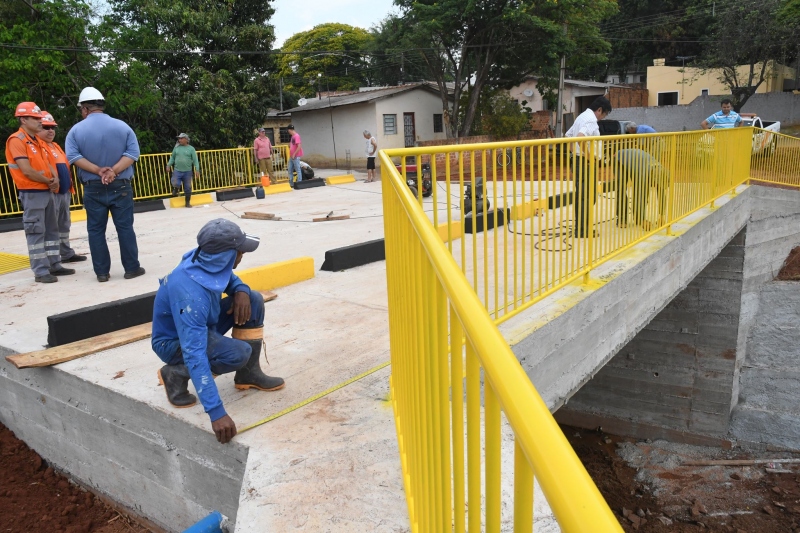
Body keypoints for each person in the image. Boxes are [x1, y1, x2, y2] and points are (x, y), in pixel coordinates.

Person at [151, 219, 285, 444]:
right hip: (174, 343)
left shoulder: (204, 259)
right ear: (224, 257)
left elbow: (229, 278)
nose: (242, 254)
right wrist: (217, 413)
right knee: (237, 353)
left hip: (204, 324)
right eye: (239, 251)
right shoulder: (190, 296)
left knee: (252, 298)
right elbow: (194, 352)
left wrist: (240, 289)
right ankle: (175, 374)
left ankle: (248, 374)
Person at [65, 87, 145, 283]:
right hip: (121, 185)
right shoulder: (122, 127)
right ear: (101, 105)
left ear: (84, 108)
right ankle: (132, 268)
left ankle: (102, 273)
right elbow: (132, 154)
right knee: (125, 228)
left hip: (93, 187)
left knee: (95, 230)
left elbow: (73, 157)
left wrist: (98, 170)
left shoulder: (75, 131)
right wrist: (113, 171)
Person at [5, 102, 76, 283]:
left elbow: (49, 165)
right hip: (32, 192)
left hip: (46, 191)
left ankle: (54, 264)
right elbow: (26, 170)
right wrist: (50, 181)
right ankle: (41, 270)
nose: (39, 121)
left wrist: (55, 180)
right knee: (36, 231)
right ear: (23, 119)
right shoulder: (17, 140)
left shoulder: (37, 141)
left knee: (52, 230)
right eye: (35, 118)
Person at [37, 111, 87, 263]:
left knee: (64, 224)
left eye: (53, 127)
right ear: (37, 128)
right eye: (46, 127)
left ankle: (65, 252)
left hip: (64, 191)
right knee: (51, 227)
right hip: (51, 193)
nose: (51, 131)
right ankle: (51, 258)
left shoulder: (55, 146)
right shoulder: (38, 147)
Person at [564, 96, 613, 238]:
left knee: (582, 196)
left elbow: (569, 136)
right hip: (585, 163)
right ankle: (583, 230)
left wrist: (576, 154)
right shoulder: (591, 120)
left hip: (579, 161)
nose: (602, 118)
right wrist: (589, 156)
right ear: (599, 110)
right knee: (588, 197)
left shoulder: (581, 117)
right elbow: (580, 137)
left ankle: (581, 228)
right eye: (604, 114)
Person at [614, 148, 668, 231]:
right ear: (653, 179)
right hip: (621, 159)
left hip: (637, 162)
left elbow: (661, 194)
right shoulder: (643, 174)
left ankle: (638, 218)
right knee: (621, 188)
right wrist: (643, 220)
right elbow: (639, 197)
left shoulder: (660, 172)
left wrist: (662, 216)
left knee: (643, 192)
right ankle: (622, 219)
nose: (654, 187)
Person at [167, 133, 200, 208]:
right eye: (179, 138)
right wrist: (168, 165)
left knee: (188, 188)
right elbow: (172, 157)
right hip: (177, 170)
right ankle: (176, 189)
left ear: (186, 139)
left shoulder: (191, 149)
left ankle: (187, 202)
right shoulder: (177, 148)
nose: (179, 140)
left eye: (181, 138)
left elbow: (195, 160)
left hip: (187, 172)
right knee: (175, 182)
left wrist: (197, 170)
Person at [286, 124, 303, 188]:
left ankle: (299, 182)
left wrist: (294, 154)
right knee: (290, 169)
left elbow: (299, 146)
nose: (288, 132)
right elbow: (293, 145)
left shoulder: (296, 136)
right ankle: (291, 183)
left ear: (290, 130)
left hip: (295, 156)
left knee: (297, 169)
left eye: (288, 130)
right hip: (291, 156)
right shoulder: (292, 136)